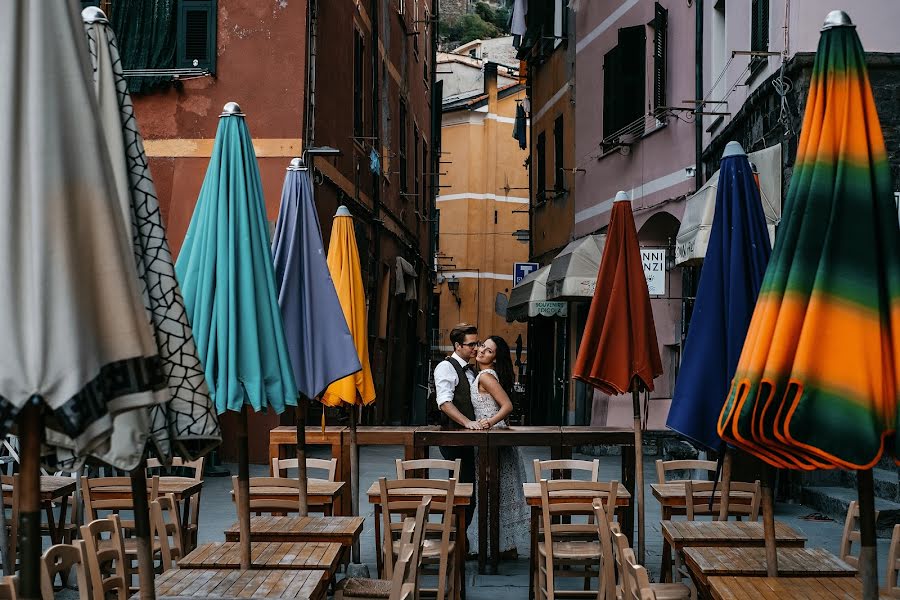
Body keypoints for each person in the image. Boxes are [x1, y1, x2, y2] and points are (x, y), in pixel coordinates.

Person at [470, 335, 529, 555]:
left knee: (492, 490)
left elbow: (507, 406)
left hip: (493, 439)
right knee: (495, 490)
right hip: (491, 440)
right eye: (482, 346)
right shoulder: (484, 374)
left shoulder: (486, 376)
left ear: (494, 359)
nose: (482, 351)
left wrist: (489, 422)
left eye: (489, 351)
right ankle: (503, 546)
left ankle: (499, 546)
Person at [433, 323, 482, 532]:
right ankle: (453, 539)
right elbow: (445, 403)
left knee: (468, 492)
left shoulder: (470, 370)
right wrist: (467, 422)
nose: (476, 348)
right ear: (457, 345)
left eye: (477, 343)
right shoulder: (445, 367)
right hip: (455, 439)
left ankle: (459, 538)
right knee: (462, 492)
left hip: (468, 440)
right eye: (471, 345)